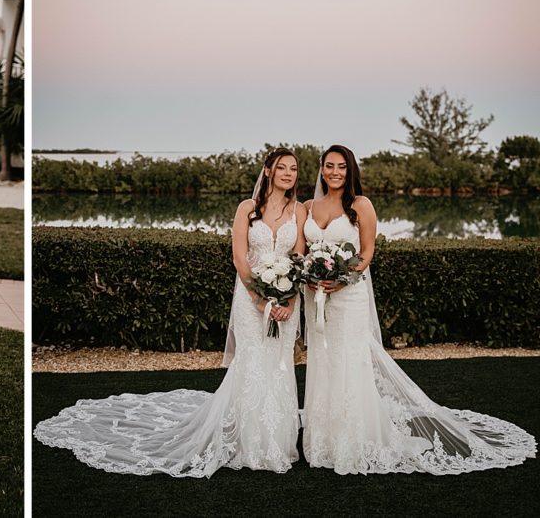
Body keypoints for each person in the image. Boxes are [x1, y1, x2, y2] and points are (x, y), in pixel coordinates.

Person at [34, 148, 305, 476]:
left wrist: (288, 300)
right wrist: (260, 300)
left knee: (278, 365)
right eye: (281, 168)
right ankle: (248, 441)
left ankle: (278, 439)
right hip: (251, 302)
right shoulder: (247, 209)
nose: (288, 174)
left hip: (288, 301)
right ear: (268, 171)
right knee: (252, 364)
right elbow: (239, 259)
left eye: (293, 168)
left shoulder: (299, 211)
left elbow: (299, 259)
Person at [302, 144, 536, 474]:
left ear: (350, 170)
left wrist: (342, 278)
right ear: (321, 169)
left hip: (348, 296)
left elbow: (367, 253)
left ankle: (354, 438)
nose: (335, 172)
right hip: (318, 299)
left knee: (349, 361)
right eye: (329, 166)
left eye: (341, 166)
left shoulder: (360, 205)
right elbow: (305, 251)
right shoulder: (309, 206)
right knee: (323, 360)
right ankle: (323, 439)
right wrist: (312, 278)